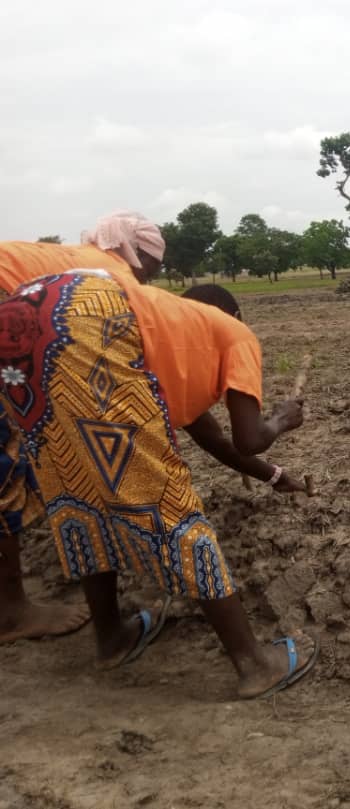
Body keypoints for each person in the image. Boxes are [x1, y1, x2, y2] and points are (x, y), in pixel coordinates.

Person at [0, 261, 318, 699]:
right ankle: (254, 663)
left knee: (80, 492)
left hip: (24, 322)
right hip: (85, 314)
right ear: (234, 316)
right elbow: (249, 439)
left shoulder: (158, 336)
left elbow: (214, 439)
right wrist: (281, 419)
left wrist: (275, 477)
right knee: (165, 503)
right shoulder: (233, 332)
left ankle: (111, 639)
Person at [0, 214, 166, 644]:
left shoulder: (78, 259)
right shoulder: (106, 275)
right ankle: (12, 613)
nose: (149, 278)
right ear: (137, 253)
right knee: (5, 466)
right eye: (154, 267)